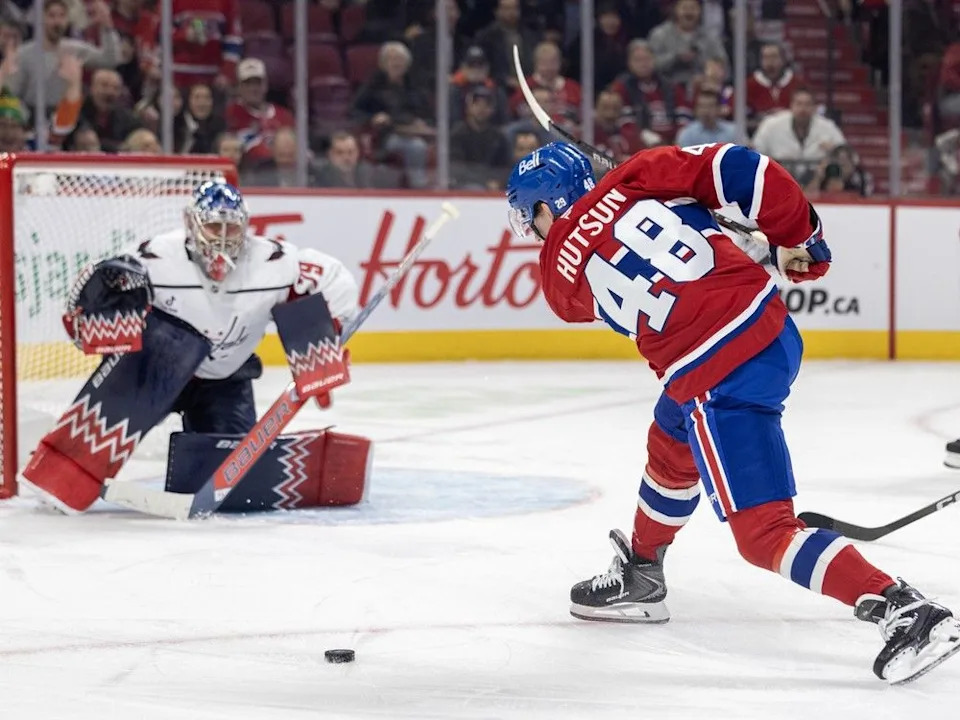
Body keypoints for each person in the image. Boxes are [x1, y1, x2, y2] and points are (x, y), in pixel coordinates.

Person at [504, 141, 960, 684]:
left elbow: (617, 269)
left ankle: (904, 609)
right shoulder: (643, 173)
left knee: (763, 534)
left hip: (715, 374)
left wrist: (684, 218)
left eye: (530, 218)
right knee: (671, 435)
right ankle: (642, 570)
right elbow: (744, 169)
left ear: (546, 208)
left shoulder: (558, 279)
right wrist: (795, 236)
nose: (532, 231)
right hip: (769, 330)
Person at [21, 181, 361, 514]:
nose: (224, 239)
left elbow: (331, 278)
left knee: (226, 485)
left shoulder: (274, 261)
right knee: (96, 436)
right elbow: (104, 295)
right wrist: (92, 319)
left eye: (233, 228)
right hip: (155, 369)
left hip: (223, 381)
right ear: (190, 224)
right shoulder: (155, 257)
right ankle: (63, 474)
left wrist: (321, 340)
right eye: (214, 227)